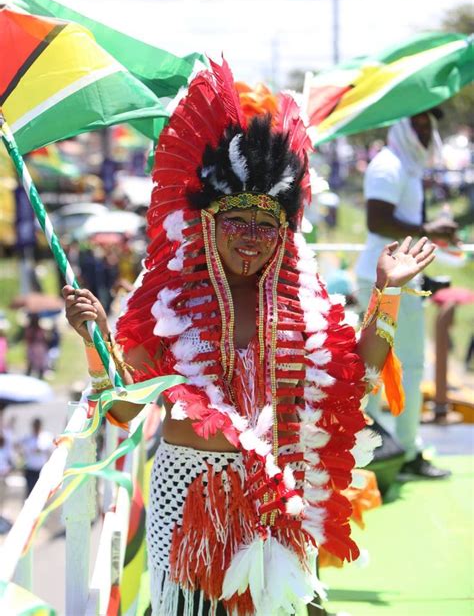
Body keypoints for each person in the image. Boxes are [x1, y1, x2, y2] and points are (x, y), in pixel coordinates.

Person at [63, 61, 436, 616]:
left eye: (267, 227)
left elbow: (354, 382)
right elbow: (120, 408)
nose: (252, 239)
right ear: (207, 222)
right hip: (187, 496)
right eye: (236, 220)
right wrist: (94, 340)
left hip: (275, 499)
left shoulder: (302, 310)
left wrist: (386, 292)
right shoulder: (166, 303)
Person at [356, 111, 458, 479]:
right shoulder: (389, 165)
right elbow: (376, 220)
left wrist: (433, 235)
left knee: (397, 370)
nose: (424, 130)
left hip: (398, 276)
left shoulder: (404, 163)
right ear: (399, 123)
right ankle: (399, 453)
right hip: (386, 279)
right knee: (394, 370)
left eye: (429, 123)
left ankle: (389, 453)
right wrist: (427, 228)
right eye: (416, 122)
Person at [19, 417, 53, 497]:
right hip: (30, 469)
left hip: (42, 469)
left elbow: (51, 451)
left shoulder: (47, 437)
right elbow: (18, 447)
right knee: (30, 493)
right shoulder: (27, 437)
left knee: (42, 494)